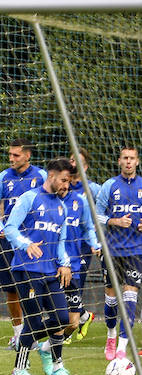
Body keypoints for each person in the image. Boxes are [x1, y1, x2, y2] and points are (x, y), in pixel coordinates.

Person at [2, 158, 78, 375]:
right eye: (64, 180)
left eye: (70, 181)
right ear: (52, 176)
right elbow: (10, 228)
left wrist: (65, 264)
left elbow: (60, 243)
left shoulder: (62, 208)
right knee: (34, 321)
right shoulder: (30, 198)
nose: (66, 185)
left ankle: (49, 356)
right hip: (26, 270)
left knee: (64, 319)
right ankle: (20, 368)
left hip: (51, 272)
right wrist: (26, 244)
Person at [0, 138, 49, 350]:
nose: (11, 158)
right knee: (11, 289)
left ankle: (32, 332)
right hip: (10, 240)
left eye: (16, 155)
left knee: (35, 287)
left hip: (34, 241)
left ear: (27, 155)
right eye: (10, 154)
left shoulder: (41, 176)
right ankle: (17, 334)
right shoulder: (2, 178)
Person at [97, 146, 142, 361]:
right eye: (125, 158)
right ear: (119, 161)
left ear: (137, 161)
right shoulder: (109, 186)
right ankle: (111, 334)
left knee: (130, 296)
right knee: (111, 300)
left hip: (136, 250)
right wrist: (114, 221)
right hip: (112, 250)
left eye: (132, 158)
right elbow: (97, 216)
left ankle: (123, 348)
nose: (128, 162)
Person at [62, 154, 101, 348]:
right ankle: (83, 316)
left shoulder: (92, 189)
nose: (72, 163)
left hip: (83, 245)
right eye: (71, 159)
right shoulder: (64, 188)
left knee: (76, 284)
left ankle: (71, 323)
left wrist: (96, 240)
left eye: (77, 160)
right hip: (62, 244)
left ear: (85, 167)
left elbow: (102, 212)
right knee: (62, 286)